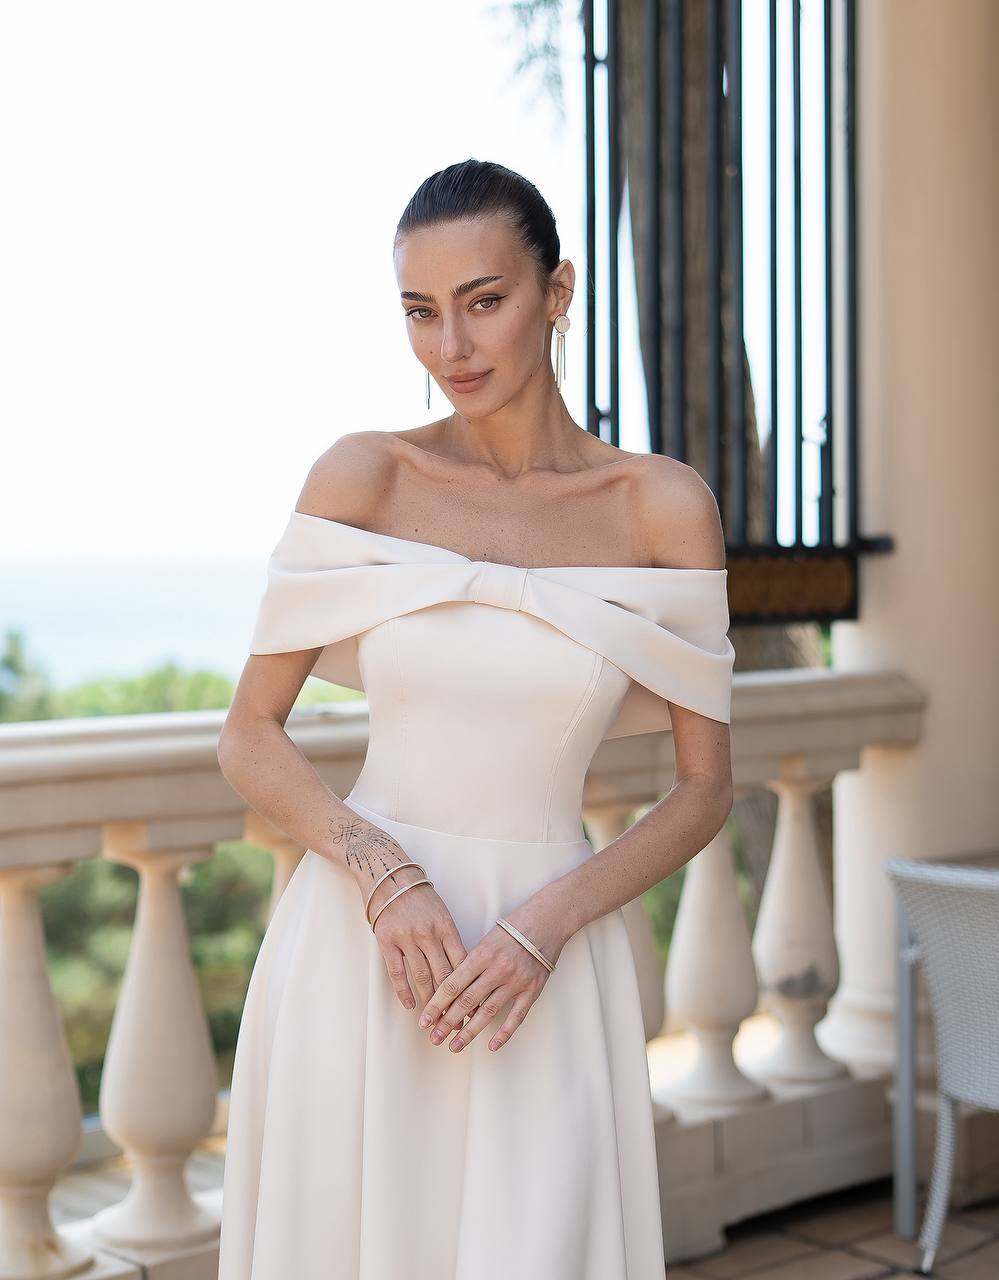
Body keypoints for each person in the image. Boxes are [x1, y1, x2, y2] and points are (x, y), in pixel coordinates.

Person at [215, 158, 734, 1280]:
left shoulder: (658, 505)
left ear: (558, 293)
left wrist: (543, 925)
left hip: (540, 952)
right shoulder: (365, 476)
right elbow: (250, 730)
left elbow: (703, 788)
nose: (450, 345)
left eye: (484, 301)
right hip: (360, 945)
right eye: (419, 311)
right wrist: (380, 870)